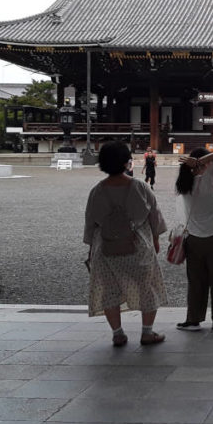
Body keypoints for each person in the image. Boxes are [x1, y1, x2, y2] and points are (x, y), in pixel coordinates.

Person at [83, 141, 167, 347]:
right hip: (138, 245)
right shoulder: (139, 187)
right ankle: (147, 332)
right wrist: (155, 239)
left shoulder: (97, 191)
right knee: (147, 287)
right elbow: (154, 217)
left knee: (109, 290)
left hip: (106, 247)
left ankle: (118, 333)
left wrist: (91, 250)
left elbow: (90, 224)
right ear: (126, 162)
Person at [174, 148, 213, 330]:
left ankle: (193, 319)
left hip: (193, 238)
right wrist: (201, 162)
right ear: (203, 163)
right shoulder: (209, 179)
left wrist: (193, 163)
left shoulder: (184, 184)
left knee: (196, 281)